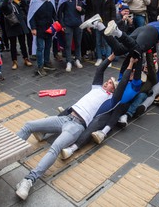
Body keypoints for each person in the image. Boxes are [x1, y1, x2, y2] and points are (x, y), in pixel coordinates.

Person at [15, 53, 126, 200]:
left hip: (77, 126)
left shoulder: (111, 100)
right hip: (65, 118)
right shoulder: (96, 88)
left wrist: (130, 65)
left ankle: (29, 180)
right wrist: (112, 55)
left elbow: (123, 84)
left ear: (114, 90)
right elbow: (100, 70)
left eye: (111, 82)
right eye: (108, 80)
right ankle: (9, 152)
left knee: (55, 147)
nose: (107, 82)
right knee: (28, 125)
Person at [27, 0, 57, 76]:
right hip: (39, 28)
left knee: (48, 46)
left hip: (49, 27)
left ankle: (47, 62)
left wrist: (56, 22)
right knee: (40, 48)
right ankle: (40, 67)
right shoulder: (35, 0)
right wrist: (33, 28)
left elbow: (53, 13)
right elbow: (32, 15)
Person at [0, 0, 33, 70]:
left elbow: (24, 4)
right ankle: (14, 61)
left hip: (19, 23)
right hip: (11, 24)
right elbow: (3, 7)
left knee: (22, 43)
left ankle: (26, 58)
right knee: (13, 44)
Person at [83, 0, 115, 67]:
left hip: (107, 22)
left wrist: (112, 21)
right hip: (95, 22)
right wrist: (88, 24)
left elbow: (113, 9)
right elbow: (88, 12)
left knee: (107, 42)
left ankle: (108, 59)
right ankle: (99, 58)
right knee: (97, 41)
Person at [57, 0, 86, 72]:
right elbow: (59, 12)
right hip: (68, 25)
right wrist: (62, 24)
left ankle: (77, 59)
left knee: (78, 43)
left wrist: (81, 9)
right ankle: (69, 61)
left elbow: (85, 11)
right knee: (68, 45)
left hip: (78, 24)